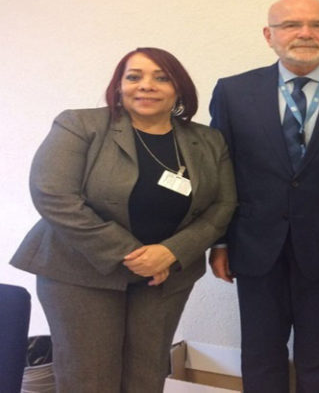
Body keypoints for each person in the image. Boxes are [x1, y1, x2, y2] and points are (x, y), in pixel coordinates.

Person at [10, 47, 237, 392]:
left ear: (179, 89)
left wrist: (171, 252)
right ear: (119, 86)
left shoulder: (207, 140)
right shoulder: (79, 124)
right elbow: (54, 196)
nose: (146, 85)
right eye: (134, 77)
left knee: (147, 373)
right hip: (80, 272)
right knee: (90, 376)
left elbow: (223, 204)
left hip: (166, 276)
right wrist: (132, 255)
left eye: (161, 78)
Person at [208, 0, 319, 392]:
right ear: (268, 35)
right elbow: (220, 171)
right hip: (254, 243)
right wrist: (219, 241)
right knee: (260, 351)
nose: (305, 33)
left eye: (317, 25)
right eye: (291, 24)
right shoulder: (233, 91)